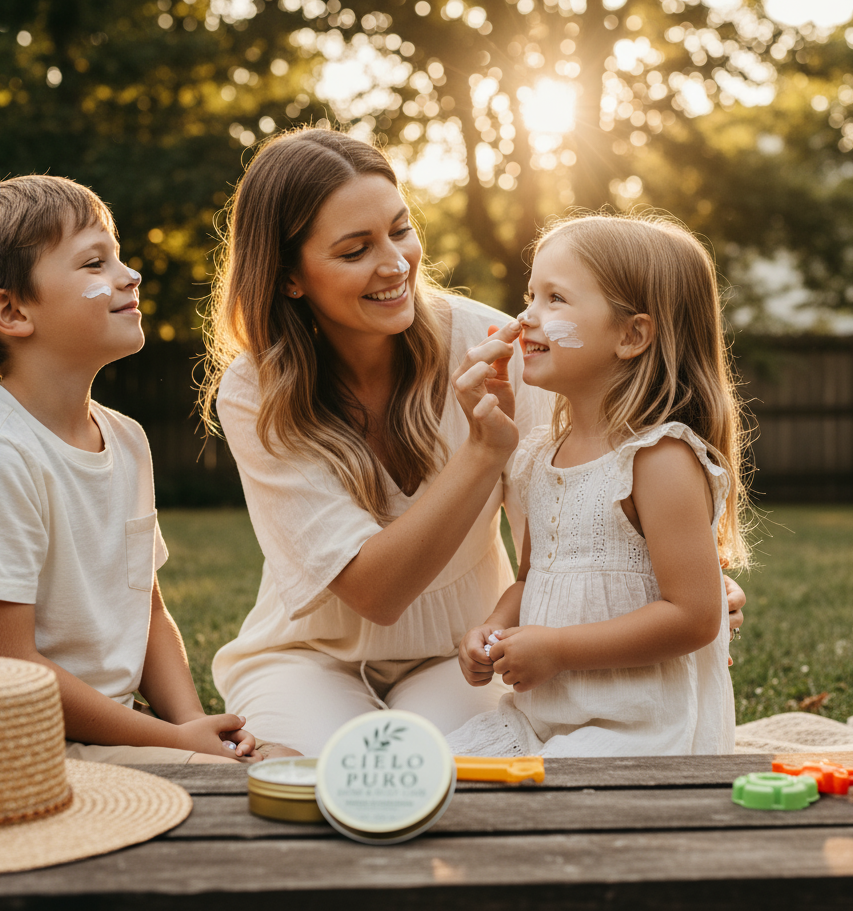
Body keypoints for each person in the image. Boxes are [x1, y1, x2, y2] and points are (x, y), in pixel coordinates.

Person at [201, 129, 746, 756]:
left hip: (461, 653)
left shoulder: (501, 346)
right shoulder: (256, 390)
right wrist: (484, 453)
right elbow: (375, 593)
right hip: (307, 654)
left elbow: (567, 533)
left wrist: (682, 587)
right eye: (356, 250)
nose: (395, 264)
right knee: (333, 777)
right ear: (291, 277)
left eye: (400, 230)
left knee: (441, 772)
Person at [0, 175, 255, 765]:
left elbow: (147, 610)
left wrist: (193, 724)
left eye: (118, 256)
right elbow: (7, 670)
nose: (130, 275)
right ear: (11, 311)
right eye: (95, 264)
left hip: (97, 733)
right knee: (259, 788)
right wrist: (174, 744)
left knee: (279, 765)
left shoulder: (126, 440)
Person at [448, 214, 749, 757]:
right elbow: (531, 580)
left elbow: (696, 616)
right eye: (530, 294)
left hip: (638, 729)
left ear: (632, 335)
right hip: (539, 719)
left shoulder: (659, 460)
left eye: (555, 299)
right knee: (438, 768)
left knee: (524, 807)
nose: (524, 318)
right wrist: (492, 630)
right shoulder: (538, 456)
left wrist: (560, 649)